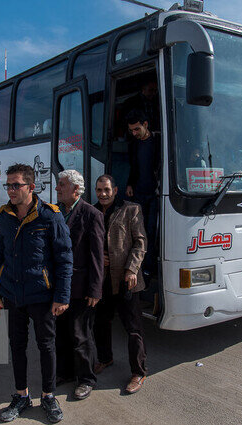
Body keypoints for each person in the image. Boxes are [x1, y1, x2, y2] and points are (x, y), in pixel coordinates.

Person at [0, 164, 72, 424]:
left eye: (16, 185)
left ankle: (48, 396)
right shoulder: (4, 216)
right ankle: (21, 395)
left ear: (31, 187)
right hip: (13, 294)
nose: (11, 190)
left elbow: (65, 258)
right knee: (17, 345)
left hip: (42, 295)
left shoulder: (50, 216)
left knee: (46, 346)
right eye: (8, 185)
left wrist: (62, 296)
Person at [92, 174, 149, 394]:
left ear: (115, 190)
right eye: (99, 190)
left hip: (127, 279)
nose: (103, 194)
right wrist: (98, 256)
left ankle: (139, 372)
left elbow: (140, 242)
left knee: (133, 328)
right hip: (102, 280)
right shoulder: (93, 211)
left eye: (106, 190)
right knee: (101, 322)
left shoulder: (130, 209)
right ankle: (105, 358)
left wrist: (131, 268)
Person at [54, 170, 105, 400]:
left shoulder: (91, 214)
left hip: (81, 288)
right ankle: (65, 373)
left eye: (61, 185)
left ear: (76, 189)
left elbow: (96, 255)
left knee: (81, 335)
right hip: (58, 287)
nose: (57, 189)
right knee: (61, 333)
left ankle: (86, 379)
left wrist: (95, 289)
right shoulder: (56, 212)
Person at [125, 109, 159, 275]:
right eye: (131, 130)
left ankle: (148, 268)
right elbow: (134, 166)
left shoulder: (158, 141)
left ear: (146, 125)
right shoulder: (135, 144)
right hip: (139, 192)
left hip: (155, 194)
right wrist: (130, 184)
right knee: (139, 231)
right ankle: (139, 267)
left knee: (151, 230)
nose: (134, 133)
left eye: (137, 129)